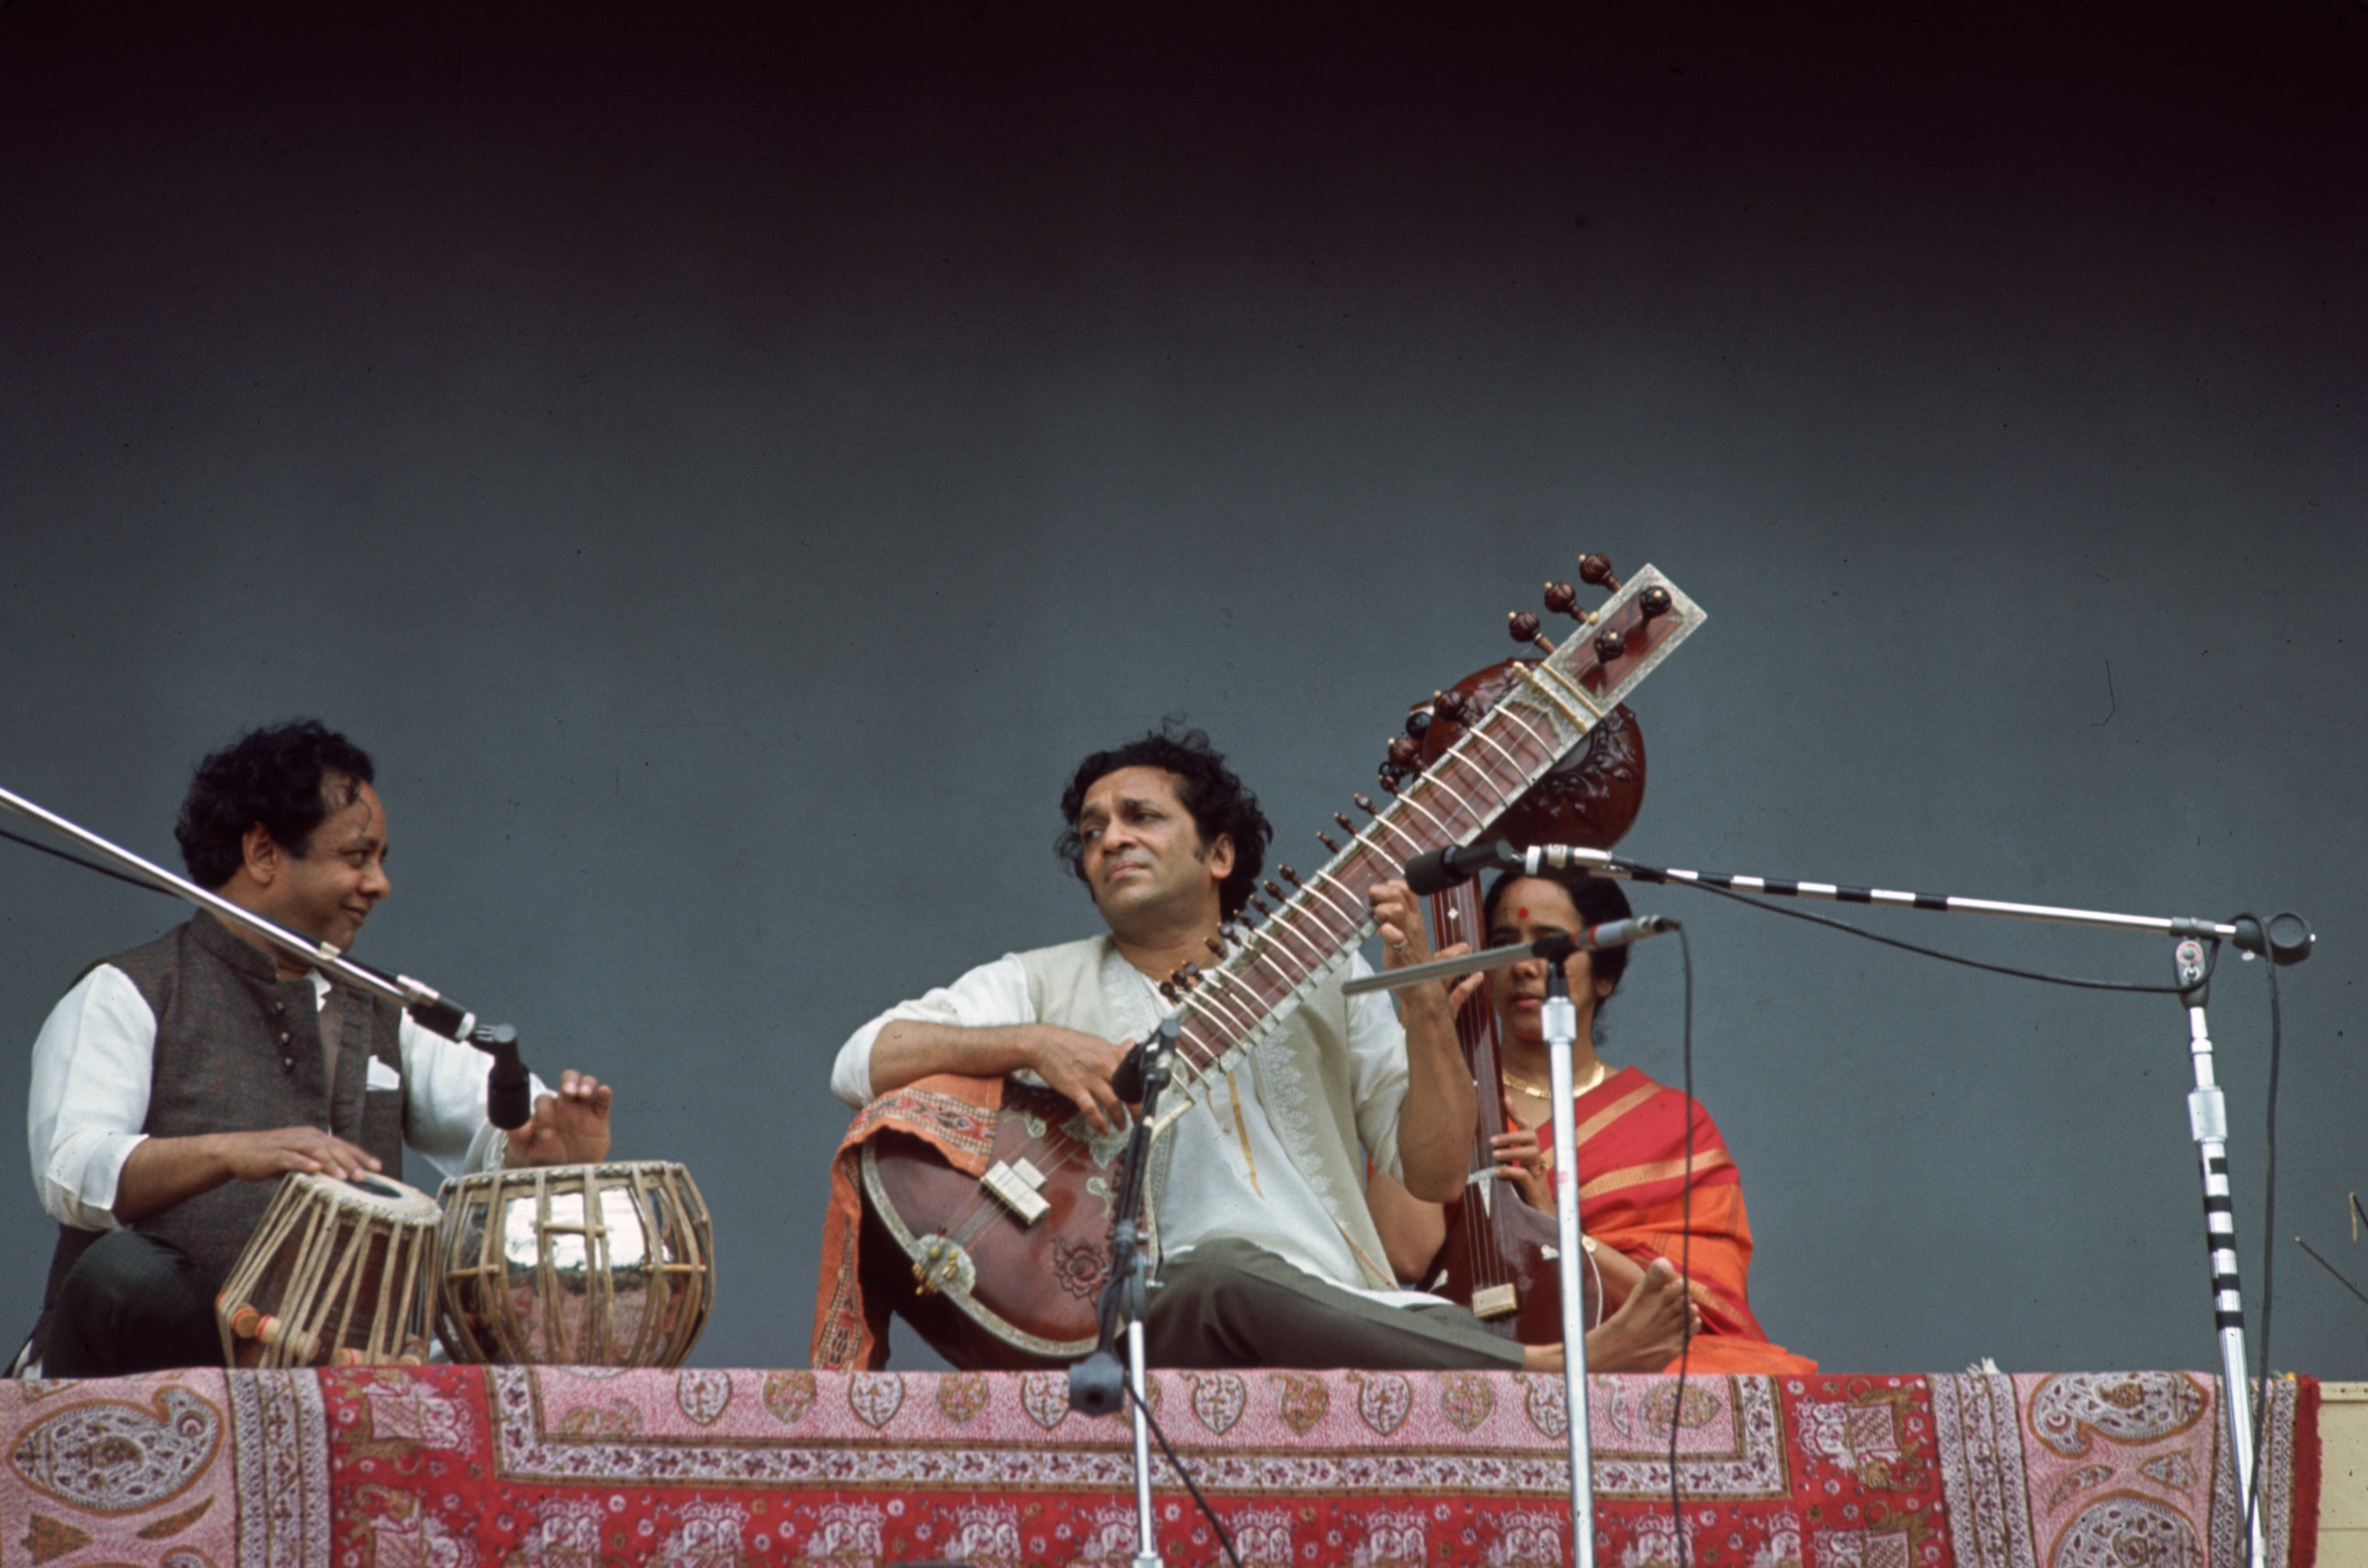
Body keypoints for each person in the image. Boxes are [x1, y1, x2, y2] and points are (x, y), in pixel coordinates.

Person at [814, 726, 1693, 1373]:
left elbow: (1429, 1170)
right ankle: (1550, 1370)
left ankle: (1453, 1349)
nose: (1109, 837)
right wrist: (1032, 1041)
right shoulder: (1039, 981)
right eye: (1090, 830)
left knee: (1274, 1280)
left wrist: (1425, 1011)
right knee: (1220, 1270)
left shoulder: (1322, 975)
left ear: (1221, 852)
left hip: (1345, 1306)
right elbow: (861, 1057)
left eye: (1140, 817)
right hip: (1155, 1308)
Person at [21, 720, 615, 1376]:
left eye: (381, 860)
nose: (379, 884)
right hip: (153, 1371)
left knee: (502, 1311)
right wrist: (233, 1152)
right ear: (264, 852)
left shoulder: (386, 1011)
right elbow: (71, 1171)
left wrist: (549, 1158)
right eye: (357, 857)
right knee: (124, 1272)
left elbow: (503, 1131)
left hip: (335, 1373)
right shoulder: (128, 992)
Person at [1367, 865, 1814, 1376]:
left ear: (1605, 973)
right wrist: (1422, 1030)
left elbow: (1688, 1304)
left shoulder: (1670, 1121)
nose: (1524, 965)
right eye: (1504, 943)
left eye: (1550, 944)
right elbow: (1404, 1256)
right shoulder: (1445, 1095)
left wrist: (1557, 1230)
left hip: (1630, 1350)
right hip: (1483, 1351)